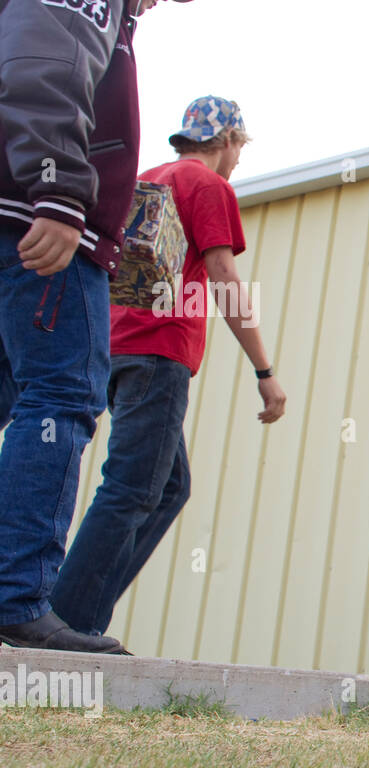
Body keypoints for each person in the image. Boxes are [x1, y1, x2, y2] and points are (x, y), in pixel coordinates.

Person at [49, 97, 286, 641]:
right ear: (228, 141)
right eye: (240, 150)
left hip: (113, 346)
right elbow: (224, 275)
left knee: (169, 484)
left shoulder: (144, 176)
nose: (237, 162)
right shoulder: (208, 186)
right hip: (158, 352)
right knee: (132, 487)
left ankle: (78, 613)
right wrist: (263, 370)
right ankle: (68, 623)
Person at [0, 0, 190, 655]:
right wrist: (57, 190)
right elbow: (41, 66)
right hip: (39, 222)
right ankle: (18, 598)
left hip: (26, 213)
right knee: (59, 399)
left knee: (14, 399)